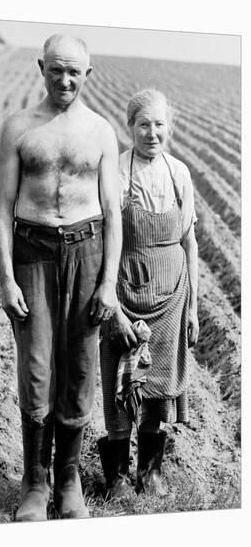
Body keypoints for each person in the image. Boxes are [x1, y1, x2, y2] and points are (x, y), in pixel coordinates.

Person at [0, 34, 124, 521]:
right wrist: (6, 279)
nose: (64, 80)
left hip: (86, 254)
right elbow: (2, 209)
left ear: (88, 74)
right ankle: (34, 484)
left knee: (81, 369)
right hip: (33, 254)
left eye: (75, 72)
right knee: (36, 367)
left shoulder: (102, 132)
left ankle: (68, 481)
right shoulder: (19, 128)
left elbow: (113, 212)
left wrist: (108, 282)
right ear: (41, 67)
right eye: (56, 69)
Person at [98, 88, 199, 498]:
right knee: (121, 381)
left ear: (169, 128)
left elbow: (190, 243)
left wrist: (192, 306)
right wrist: (110, 300)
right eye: (143, 124)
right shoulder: (117, 172)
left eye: (159, 124)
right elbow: (105, 237)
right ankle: (118, 476)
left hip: (171, 295)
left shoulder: (179, 174)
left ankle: (150, 472)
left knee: (157, 385)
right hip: (125, 292)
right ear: (130, 128)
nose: (151, 133)